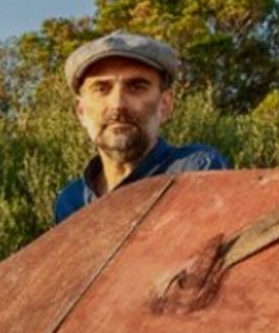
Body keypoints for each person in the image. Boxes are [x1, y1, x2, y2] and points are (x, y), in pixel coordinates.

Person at [53, 31, 229, 224]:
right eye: (101, 89)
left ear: (164, 105)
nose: (118, 104)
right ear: (81, 111)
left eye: (136, 87)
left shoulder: (194, 171)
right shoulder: (70, 202)